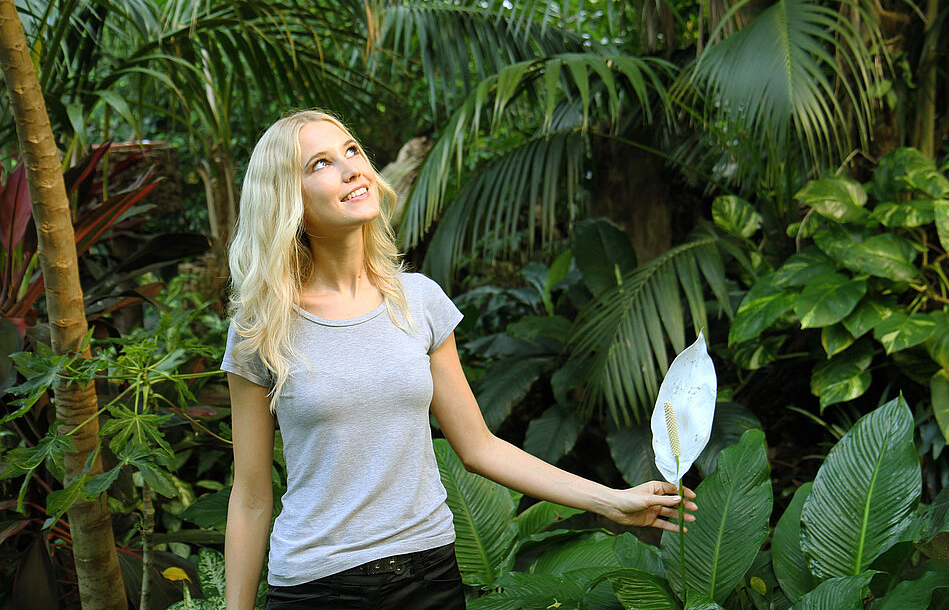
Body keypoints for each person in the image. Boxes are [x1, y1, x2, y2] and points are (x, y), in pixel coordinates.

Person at [222, 110, 697, 610]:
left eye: (352, 151)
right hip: (317, 588)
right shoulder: (261, 330)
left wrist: (612, 500)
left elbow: (479, 446)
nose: (350, 169)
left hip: (429, 577)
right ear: (285, 197)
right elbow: (252, 498)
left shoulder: (418, 301)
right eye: (320, 162)